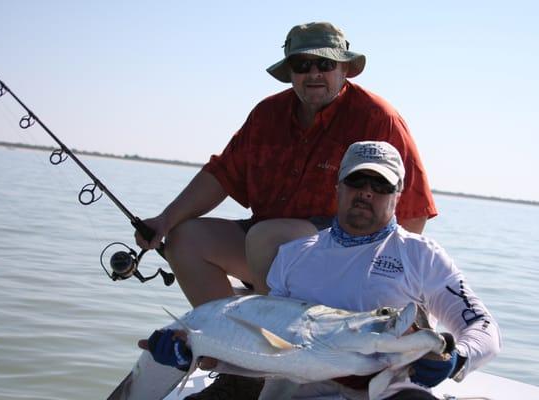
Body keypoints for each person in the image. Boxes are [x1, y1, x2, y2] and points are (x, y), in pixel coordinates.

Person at [136, 21, 437, 398]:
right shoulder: (267, 113)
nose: (313, 73)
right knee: (186, 239)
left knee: (270, 236)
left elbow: (413, 209)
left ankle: (274, 364)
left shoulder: (378, 118)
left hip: (341, 259)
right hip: (267, 253)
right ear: (289, 71)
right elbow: (222, 174)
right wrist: (165, 220)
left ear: (345, 69)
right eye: (302, 64)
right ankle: (239, 357)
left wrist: (381, 277)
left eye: (325, 65)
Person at [142, 141, 500, 400]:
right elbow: (268, 355)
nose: (366, 193)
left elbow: (483, 327)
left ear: (398, 195)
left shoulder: (421, 255)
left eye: (380, 186)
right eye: (357, 182)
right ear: (338, 187)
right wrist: (189, 352)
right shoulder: (295, 256)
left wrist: (457, 359)